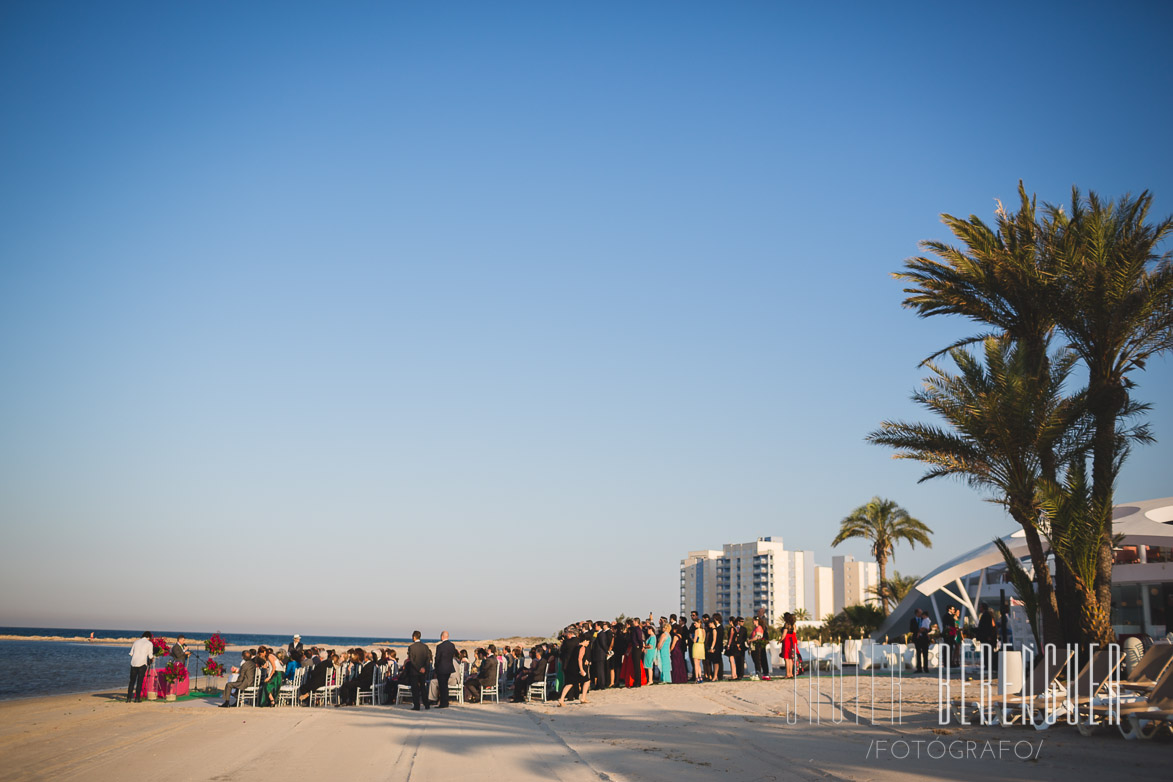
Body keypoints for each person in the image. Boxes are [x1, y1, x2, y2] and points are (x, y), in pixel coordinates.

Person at [557, 629, 590, 705]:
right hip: (576, 668)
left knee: (569, 683)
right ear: (585, 641)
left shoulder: (577, 646)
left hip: (570, 666)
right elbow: (579, 658)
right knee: (587, 680)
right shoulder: (582, 647)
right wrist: (581, 670)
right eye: (588, 642)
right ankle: (583, 698)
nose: (588, 643)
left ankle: (561, 699)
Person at [407, 631, 432, 711]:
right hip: (423, 671)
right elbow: (428, 659)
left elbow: (412, 660)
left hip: (414, 671)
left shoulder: (411, 647)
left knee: (415, 689)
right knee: (423, 688)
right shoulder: (425, 647)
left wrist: (418, 668)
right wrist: (424, 668)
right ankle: (426, 704)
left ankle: (417, 706)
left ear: (414, 637)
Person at [434, 631, 459, 708]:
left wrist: (436, 666)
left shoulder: (440, 646)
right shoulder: (452, 645)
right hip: (449, 668)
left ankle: (443, 703)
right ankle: (446, 702)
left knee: (442, 686)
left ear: (442, 637)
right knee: (445, 686)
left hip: (441, 668)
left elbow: (437, 658)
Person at [128, 632, 154, 703]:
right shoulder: (149, 643)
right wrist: (152, 658)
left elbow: (131, 653)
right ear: (149, 637)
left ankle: (128, 698)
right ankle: (137, 698)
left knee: (132, 681)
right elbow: (150, 656)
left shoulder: (136, 642)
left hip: (133, 663)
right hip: (142, 664)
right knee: (140, 681)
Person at [975, 602, 998, 676]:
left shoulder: (986, 615)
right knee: (987, 652)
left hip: (986, 638)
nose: (979, 609)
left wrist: (988, 636)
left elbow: (986, 627)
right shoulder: (988, 615)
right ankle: (988, 665)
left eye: (980, 607)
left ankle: (988, 665)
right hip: (987, 638)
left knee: (987, 652)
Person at [780, 613, 798, 679]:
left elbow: (784, 634)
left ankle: (787, 674)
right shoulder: (794, 625)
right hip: (792, 640)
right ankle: (791, 673)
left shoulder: (786, 624)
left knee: (786, 658)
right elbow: (795, 633)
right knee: (791, 658)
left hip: (787, 640)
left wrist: (780, 640)